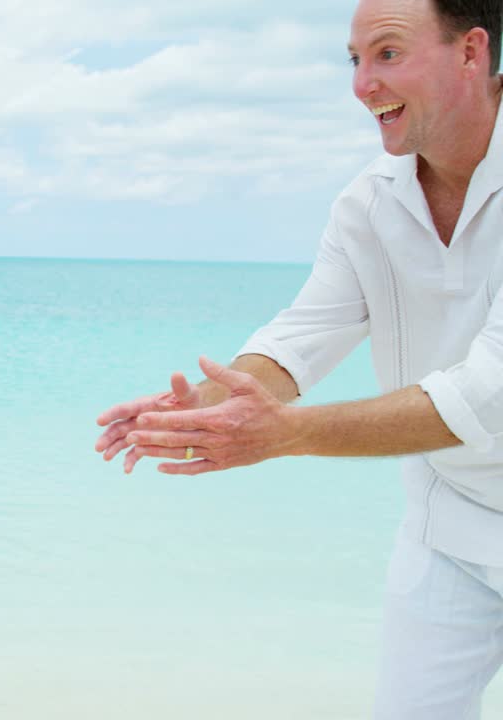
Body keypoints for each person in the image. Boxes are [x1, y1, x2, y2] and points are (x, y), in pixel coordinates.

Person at [96, 1, 503, 717]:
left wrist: (291, 434)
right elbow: (303, 334)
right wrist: (208, 403)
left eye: (386, 54)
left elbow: (490, 393)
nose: (362, 85)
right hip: (450, 521)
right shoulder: (367, 204)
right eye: (354, 60)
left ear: (471, 51)